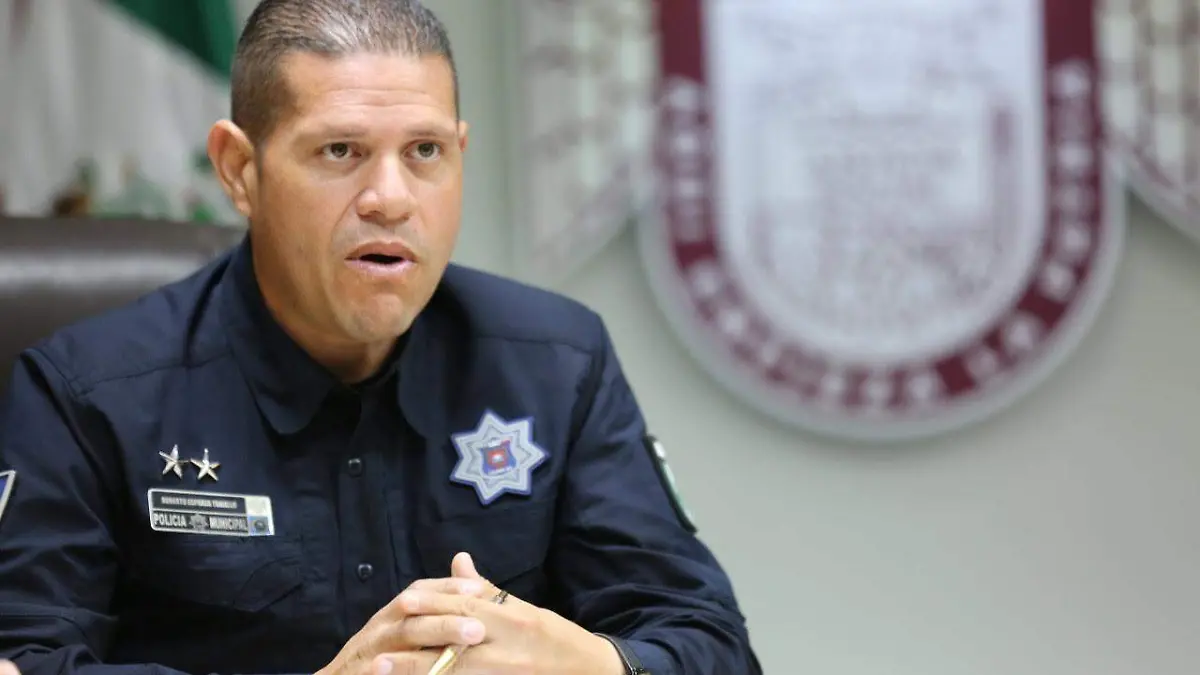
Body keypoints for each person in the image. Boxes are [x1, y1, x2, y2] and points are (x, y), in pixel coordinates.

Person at [0, 1, 760, 674]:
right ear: (238, 170)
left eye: (425, 152)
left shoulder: (556, 365)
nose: (391, 199)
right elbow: (26, 659)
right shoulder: (87, 393)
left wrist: (597, 664)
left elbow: (713, 645)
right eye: (341, 151)